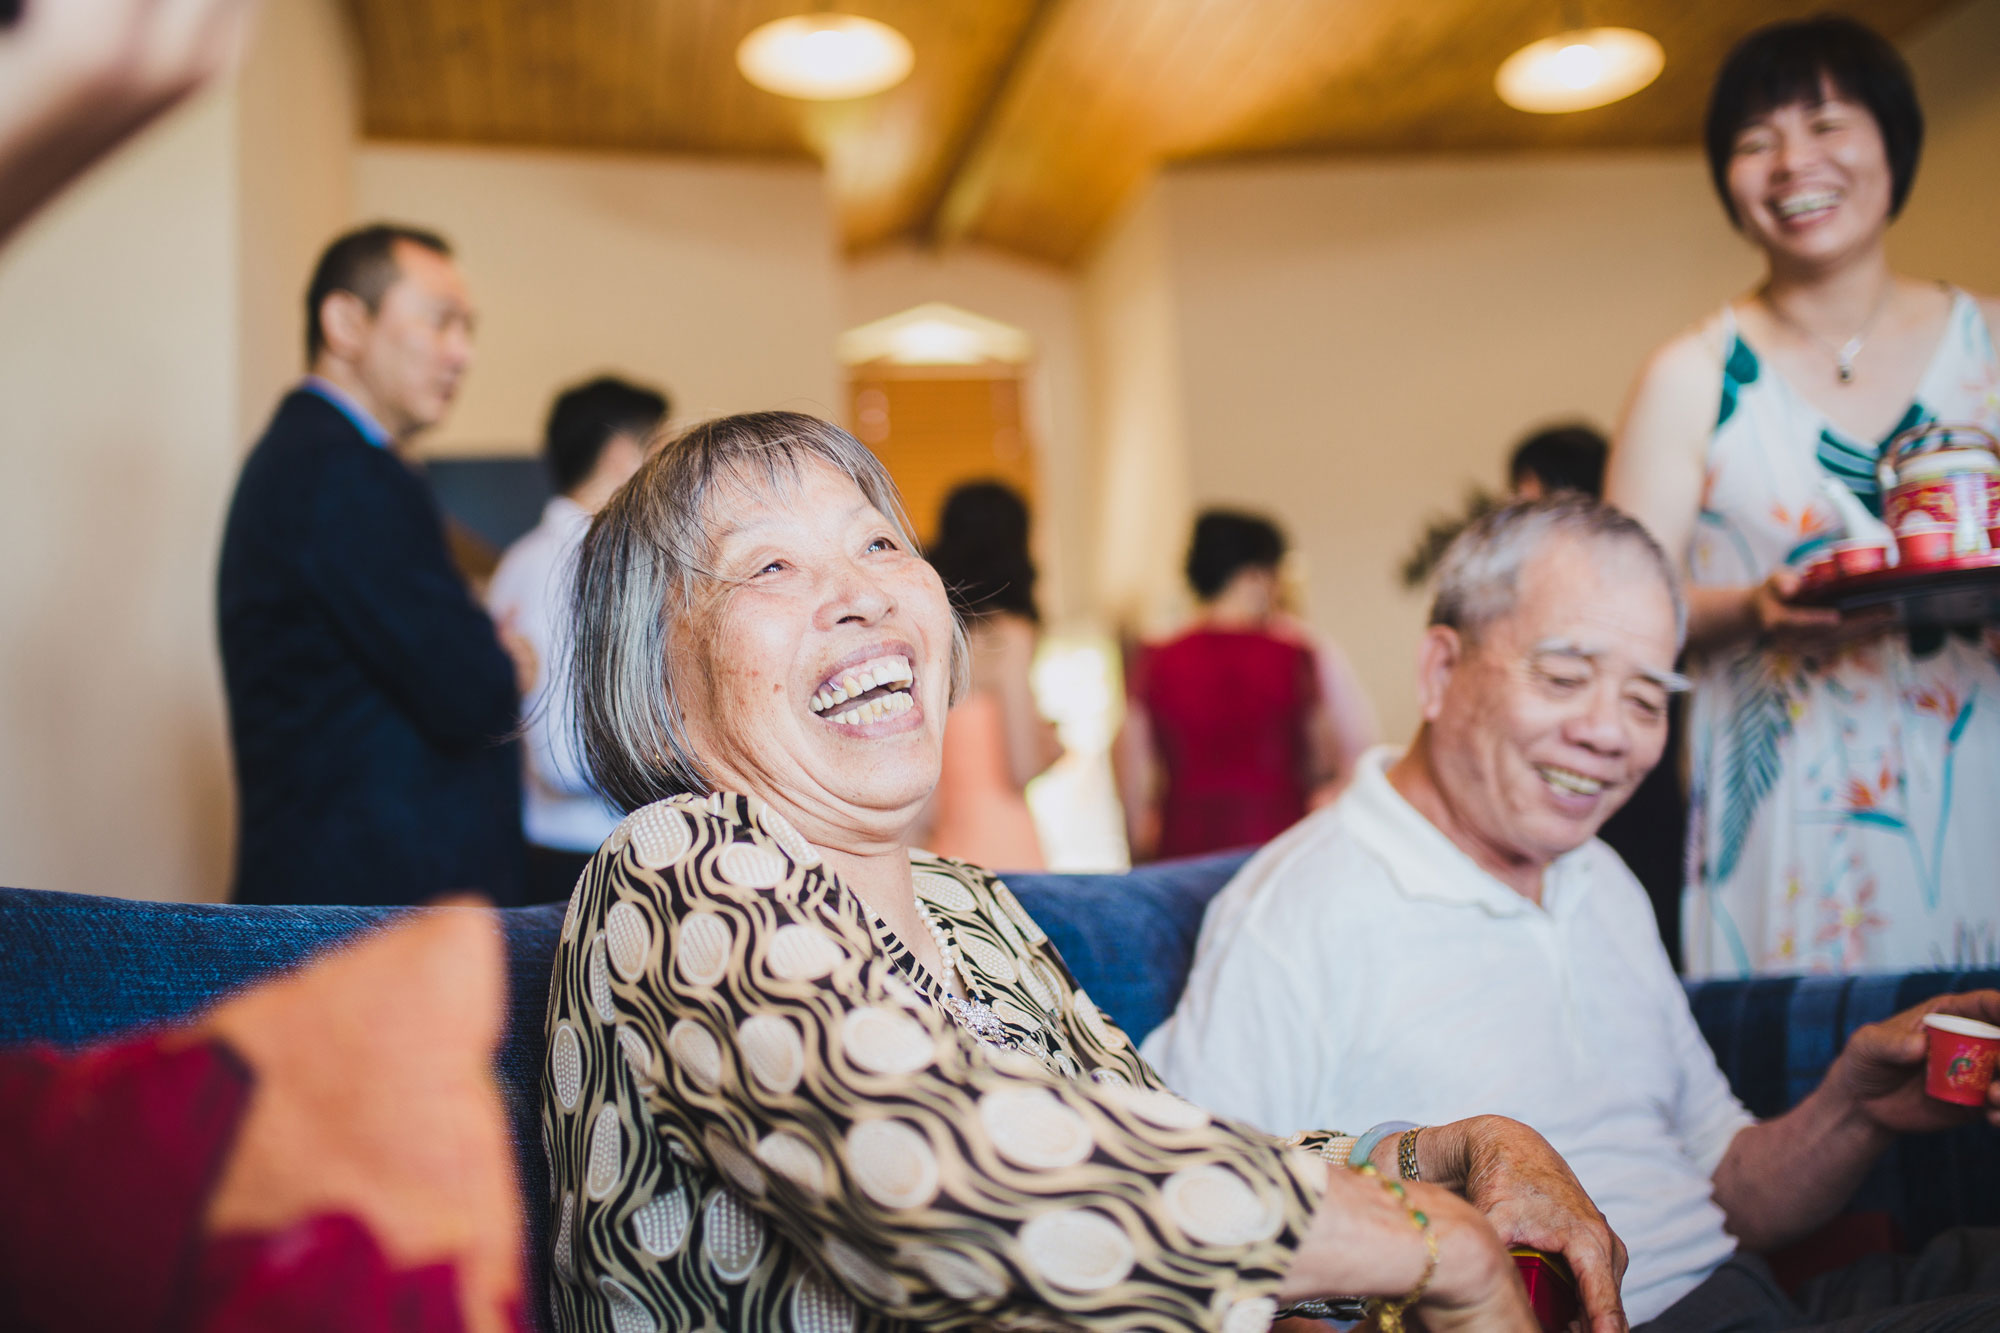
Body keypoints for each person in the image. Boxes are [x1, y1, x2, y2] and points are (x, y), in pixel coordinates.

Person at [545, 412, 1631, 1333]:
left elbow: (1154, 1145)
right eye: (770, 565)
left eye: (879, 544)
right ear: (656, 680)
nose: (861, 593)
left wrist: (1440, 1154)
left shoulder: (966, 904)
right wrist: (1422, 1241)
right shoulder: (677, 860)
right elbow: (934, 1183)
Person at [1144, 496, 2000, 1331]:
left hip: (1761, 1291)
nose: (1610, 733)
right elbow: (1187, 1211)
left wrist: (1855, 1105)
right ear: (1441, 671)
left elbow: (1728, 1195)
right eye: (1564, 677)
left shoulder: (1600, 874)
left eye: (1645, 698)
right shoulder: (1297, 907)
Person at [1605, 15, 2000, 977]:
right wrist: (1751, 608)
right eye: (1755, 142)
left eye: (1827, 124)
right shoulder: (1694, 373)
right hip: (1785, 817)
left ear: (1891, 143)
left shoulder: (1990, 345)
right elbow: (1614, 607)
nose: (1792, 163)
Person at [218, 224, 528, 907]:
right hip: (366, 909)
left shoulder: (309, 457)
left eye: (468, 329)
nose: (462, 353)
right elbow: (470, 692)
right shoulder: (346, 471)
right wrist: (508, 660)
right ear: (345, 323)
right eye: (441, 322)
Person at [488, 374, 668, 901]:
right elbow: (560, 753)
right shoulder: (572, 563)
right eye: (657, 449)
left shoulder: (524, 556)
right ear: (620, 454)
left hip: (565, 845)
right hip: (582, 854)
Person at [1118, 510, 1360, 861]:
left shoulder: (1155, 658)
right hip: (1280, 842)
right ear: (1256, 574)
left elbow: (1131, 769)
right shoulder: (1298, 655)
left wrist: (1136, 848)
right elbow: (1335, 757)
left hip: (1184, 844)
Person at [914, 480, 1060, 870]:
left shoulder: (930, 636)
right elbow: (1021, 768)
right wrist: (1053, 748)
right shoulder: (1010, 636)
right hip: (1005, 845)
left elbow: (925, 802)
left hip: (942, 847)